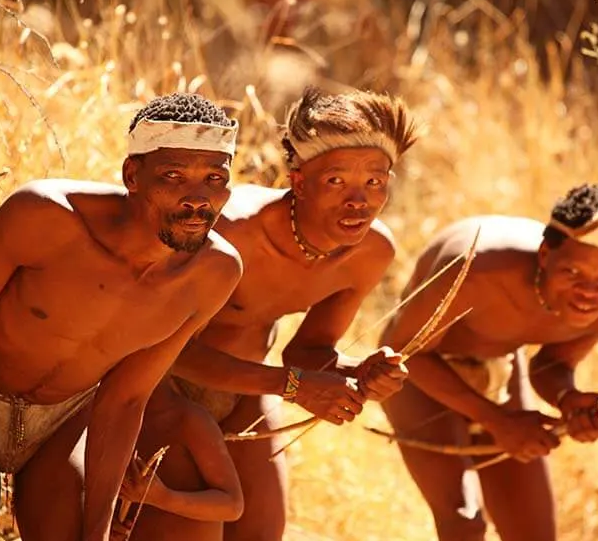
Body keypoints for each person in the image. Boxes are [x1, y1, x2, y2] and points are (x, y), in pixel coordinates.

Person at [0, 92, 244, 541]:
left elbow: (125, 399)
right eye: (174, 176)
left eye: (214, 178)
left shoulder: (215, 273)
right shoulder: (45, 216)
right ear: (132, 175)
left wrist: (98, 531)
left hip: (62, 422)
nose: (197, 199)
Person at [147, 86, 419, 541]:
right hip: (163, 391)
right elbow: (161, 350)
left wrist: (357, 373)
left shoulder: (371, 252)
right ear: (298, 180)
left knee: (261, 533)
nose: (359, 201)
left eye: (375, 181)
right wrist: (292, 387)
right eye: (336, 182)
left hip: (248, 398)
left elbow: (308, 352)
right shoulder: (231, 230)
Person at [379, 184, 598, 541]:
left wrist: (568, 400)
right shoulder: (477, 270)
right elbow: (402, 352)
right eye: (573, 273)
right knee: (464, 524)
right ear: (545, 255)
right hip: (416, 370)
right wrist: (497, 421)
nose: (590, 292)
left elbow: (552, 365)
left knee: (533, 534)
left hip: (499, 364)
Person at [111, 381, 244, 541]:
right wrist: (110, 527)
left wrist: (163, 497)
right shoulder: (111, 420)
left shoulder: (189, 421)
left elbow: (232, 505)